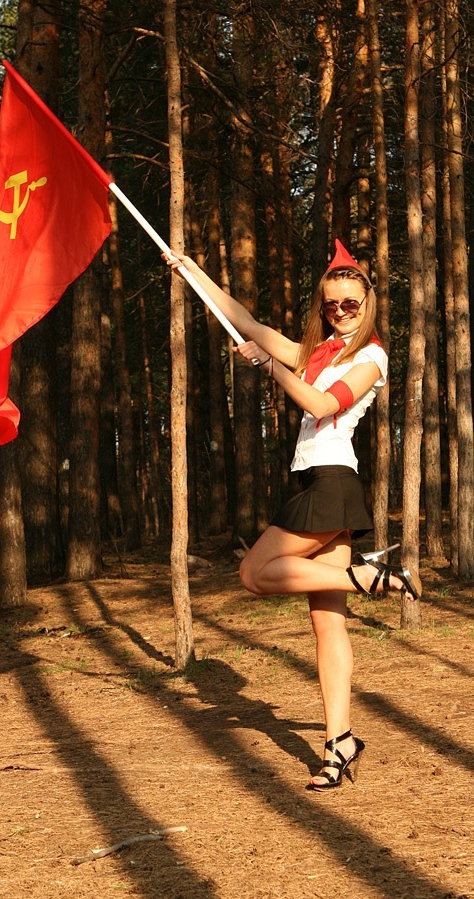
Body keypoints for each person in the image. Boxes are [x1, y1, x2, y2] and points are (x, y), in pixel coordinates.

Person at [165, 239, 421, 791]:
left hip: (331, 482)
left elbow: (322, 405)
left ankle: (367, 577)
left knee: (253, 573)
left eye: (350, 303)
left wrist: (271, 368)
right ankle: (339, 742)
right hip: (313, 481)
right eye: (332, 305)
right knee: (328, 625)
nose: (341, 312)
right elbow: (248, 323)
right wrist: (192, 272)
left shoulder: (371, 357)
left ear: (368, 302)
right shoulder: (319, 351)